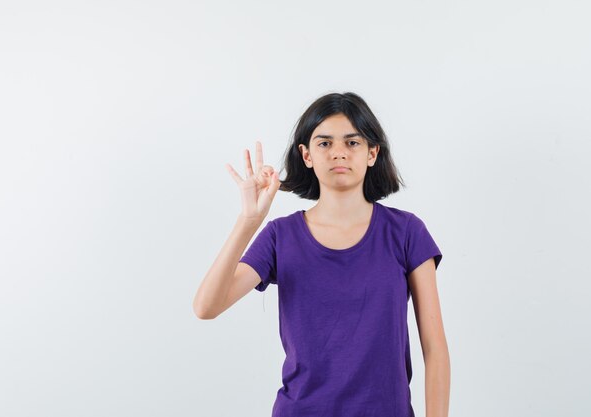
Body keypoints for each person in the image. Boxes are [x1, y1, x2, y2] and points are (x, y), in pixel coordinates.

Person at [193, 92, 450, 417]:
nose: (339, 153)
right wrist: (249, 222)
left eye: (352, 143)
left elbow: (435, 348)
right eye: (325, 143)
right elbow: (206, 307)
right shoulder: (279, 236)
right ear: (306, 155)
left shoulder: (406, 233)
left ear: (372, 153)